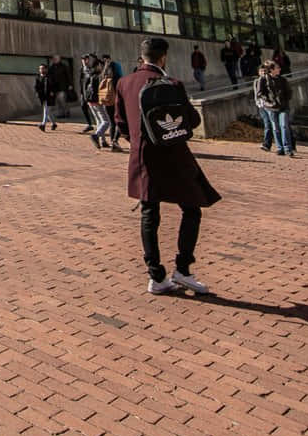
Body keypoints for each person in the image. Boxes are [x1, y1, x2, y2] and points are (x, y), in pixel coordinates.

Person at [114, 36, 221, 296]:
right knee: (192, 209)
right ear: (163, 57)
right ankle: (183, 269)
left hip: (142, 158)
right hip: (174, 156)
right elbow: (192, 120)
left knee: (149, 214)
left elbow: (120, 122)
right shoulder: (172, 84)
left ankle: (156, 275)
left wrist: (138, 139)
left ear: (142, 56)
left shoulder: (124, 83)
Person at [252, 61, 293, 156]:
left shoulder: (283, 79)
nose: (279, 69)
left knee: (284, 126)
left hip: (283, 107)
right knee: (275, 128)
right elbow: (260, 94)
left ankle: (287, 148)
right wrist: (269, 103)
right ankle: (280, 148)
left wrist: (285, 101)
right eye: (277, 67)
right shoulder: (263, 80)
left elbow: (289, 92)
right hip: (271, 108)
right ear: (272, 70)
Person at [91, 60, 122, 149]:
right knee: (120, 122)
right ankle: (114, 142)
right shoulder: (117, 78)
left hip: (106, 102)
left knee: (112, 123)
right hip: (115, 102)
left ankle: (113, 143)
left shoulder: (102, 77)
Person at [78, 53, 101, 133]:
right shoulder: (81, 69)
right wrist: (81, 91)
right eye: (83, 59)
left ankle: (98, 125)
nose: (84, 61)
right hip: (83, 91)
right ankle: (89, 124)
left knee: (94, 110)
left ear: (88, 60)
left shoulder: (92, 68)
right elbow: (80, 81)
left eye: (86, 59)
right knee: (83, 106)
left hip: (89, 92)